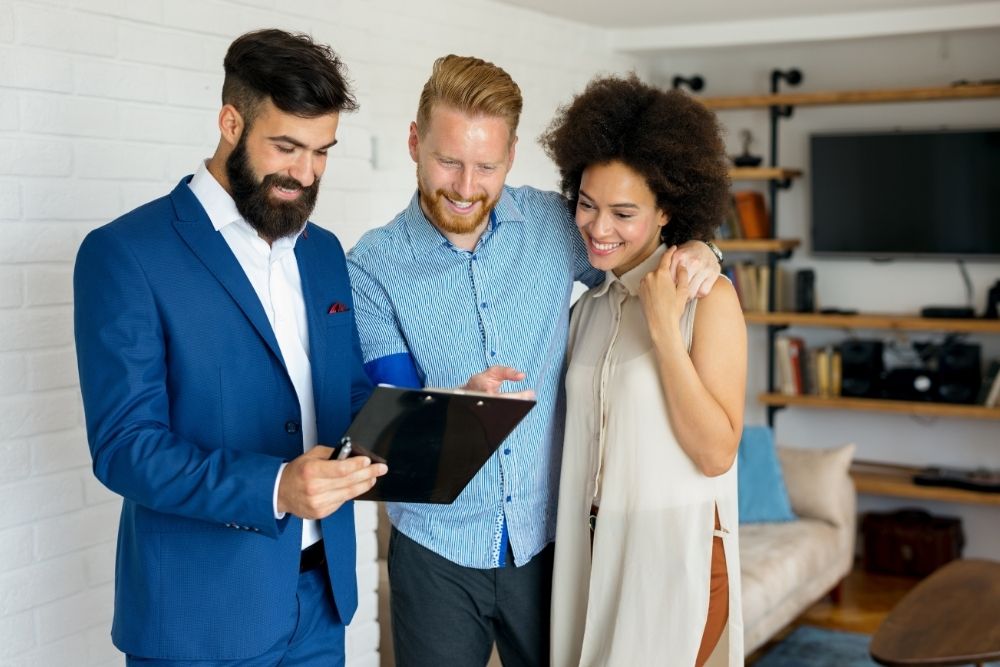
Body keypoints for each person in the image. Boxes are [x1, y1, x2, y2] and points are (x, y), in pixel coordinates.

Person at [346, 55, 724, 667]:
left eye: (486, 166)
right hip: (436, 549)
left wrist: (705, 246)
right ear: (415, 142)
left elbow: (637, 240)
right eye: (448, 161)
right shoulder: (371, 266)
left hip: (552, 543)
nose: (466, 186)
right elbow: (394, 435)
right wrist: (454, 410)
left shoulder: (555, 223)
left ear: (512, 155)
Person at [73, 29, 386, 666]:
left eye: (322, 152)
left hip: (320, 602)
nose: (305, 173)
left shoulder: (323, 252)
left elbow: (347, 394)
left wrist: (438, 415)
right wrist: (276, 486)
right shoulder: (126, 254)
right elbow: (126, 449)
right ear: (230, 121)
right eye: (287, 147)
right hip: (199, 622)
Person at [541, 75, 747, 666]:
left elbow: (715, 453)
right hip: (588, 546)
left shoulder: (710, 300)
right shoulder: (590, 307)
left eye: (624, 212)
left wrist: (662, 325)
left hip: (671, 548)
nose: (598, 229)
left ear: (666, 213)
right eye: (587, 204)